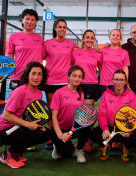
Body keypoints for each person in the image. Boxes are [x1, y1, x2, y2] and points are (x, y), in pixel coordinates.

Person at [0, 62, 51, 169]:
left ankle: (16, 153)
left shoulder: (38, 93)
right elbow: (6, 116)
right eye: (33, 73)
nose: (36, 77)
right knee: (35, 134)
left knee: (46, 133)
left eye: (39, 74)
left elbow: (30, 115)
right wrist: (28, 125)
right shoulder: (19, 92)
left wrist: (37, 124)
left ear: (43, 77)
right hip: (3, 131)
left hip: (19, 126)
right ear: (27, 75)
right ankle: (8, 155)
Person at [91, 70, 136, 162]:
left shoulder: (131, 95)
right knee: (95, 134)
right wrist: (105, 129)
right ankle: (105, 145)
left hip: (124, 129)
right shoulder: (105, 95)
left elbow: (134, 116)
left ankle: (125, 146)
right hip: (110, 129)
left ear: (125, 81)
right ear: (112, 80)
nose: (119, 82)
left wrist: (130, 131)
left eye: (121, 80)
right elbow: (102, 114)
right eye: (116, 79)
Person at [43, 19, 77, 149]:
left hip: (66, 82)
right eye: (60, 27)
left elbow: (76, 59)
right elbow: (40, 57)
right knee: (53, 111)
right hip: (51, 81)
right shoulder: (47, 44)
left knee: (66, 111)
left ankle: (66, 135)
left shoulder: (71, 44)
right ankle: (53, 137)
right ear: (55, 28)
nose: (62, 29)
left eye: (64, 27)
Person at [50, 65, 90, 164]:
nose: (77, 79)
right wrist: (59, 134)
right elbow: (53, 116)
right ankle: (56, 146)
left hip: (73, 128)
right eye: (74, 75)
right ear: (69, 76)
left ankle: (79, 150)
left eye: (80, 76)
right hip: (60, 129)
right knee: (67, 153)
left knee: (87, 128)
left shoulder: (81, 93)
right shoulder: (59, 93)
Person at [71, 30, 102, 152]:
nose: (89, 40)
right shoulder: (75, 52)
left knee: (88, 114)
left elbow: (102, 68)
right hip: (77, 85)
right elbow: (71, 68)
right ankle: (80, 139)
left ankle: (88, 141)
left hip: (91, 85)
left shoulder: (98, 53)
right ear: (83, 39)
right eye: (87, 37)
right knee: (78, 113)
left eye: (92, 38)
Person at [6, 9, 43, 90]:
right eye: (27, 19)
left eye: (33, 19)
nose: (30, 22)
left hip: (35, 77)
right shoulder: (13, 37)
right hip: (18, 75)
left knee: (33, 101)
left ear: (36, 22)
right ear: (22, 20)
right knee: (17, 102)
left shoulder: (39, 38)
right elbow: (9, 58)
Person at [99, 29, 130, 95]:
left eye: (117, 35)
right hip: (105, 83)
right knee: (106, 103)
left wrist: (124, 82)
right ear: (109, 37)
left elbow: (125, 69)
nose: (115, 37)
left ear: (120, 38)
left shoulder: (124, 52)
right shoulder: (103, 50)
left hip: (118, 84)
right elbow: (99, 65)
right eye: (113, 35)